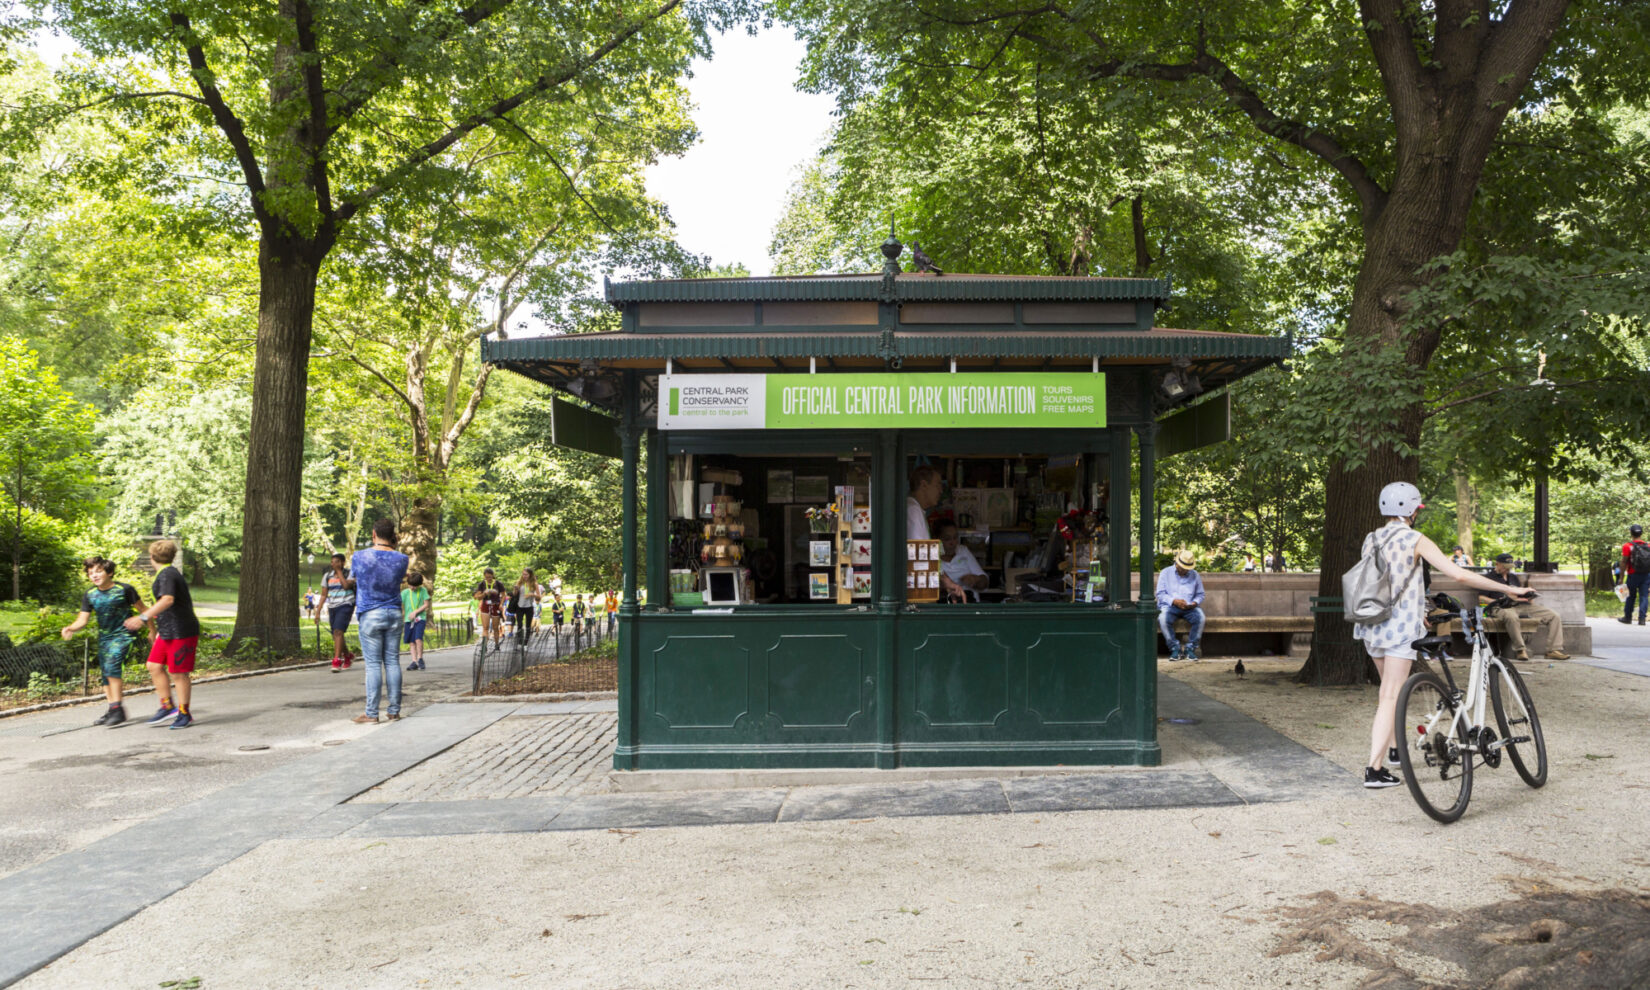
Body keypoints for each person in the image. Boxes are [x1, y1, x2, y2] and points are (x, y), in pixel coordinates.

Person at [1355, 482, 1533, 789]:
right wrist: (1511, 589)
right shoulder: (1415, 539)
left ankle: (1396, 752)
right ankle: (1374, 769)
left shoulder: (1371, 538)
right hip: (1398, 628)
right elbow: (1459, 574)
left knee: (1388, 691)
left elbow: (1384, 582)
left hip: (1371, 622)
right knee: (1389, 695)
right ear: (1411, 510)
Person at [62, 557, 151, 727]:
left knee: (112, 667)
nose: (94, 575)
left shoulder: (125, 589)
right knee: (105, 674)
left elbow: (145, 611)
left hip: (124, 635)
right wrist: (70, 628)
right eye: (90, 573)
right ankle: (112, 709)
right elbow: (83, 620)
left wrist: (152, 630)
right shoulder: (90, 594)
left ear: (109, 572)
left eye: (98, 571)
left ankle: (118, 709)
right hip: (105, 638)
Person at [123, 540, 202, 729]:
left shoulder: (167, 574)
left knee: (179, 673)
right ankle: (167, 706)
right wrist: (156, 630)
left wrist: (143, 617)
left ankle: (184, 713)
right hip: (168, 630)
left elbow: (167, 600)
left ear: (151, 557)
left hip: (182, 630)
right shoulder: (166, 573)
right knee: (154, 665)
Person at [351, 519, 410, 723]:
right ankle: (394, 710)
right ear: (392, 535)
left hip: (370, 612)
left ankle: (371, 713)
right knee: (393, 661)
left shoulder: (360, 556)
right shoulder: (402, 559)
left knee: (373, 664)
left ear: (374, 534)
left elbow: (353, 578)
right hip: (394, 612)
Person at [1482, 553, 1569, 661]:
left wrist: (1528, 596)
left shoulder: (1513, 577)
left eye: (1509, 568)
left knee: (1554, 616)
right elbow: (1481, 598)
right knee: (1512, 617)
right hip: (1500, 607)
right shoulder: (1488, 578)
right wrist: (1498, 601)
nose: (1507, 570)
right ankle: (1520, 650)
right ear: (1497, 564)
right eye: (1505, 567)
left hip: (1520, 604)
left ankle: (1553, 650)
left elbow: (1518, 593)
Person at [1155, 549, 1206, 661]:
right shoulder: (1165, 572)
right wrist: (1174, 601)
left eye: (1187, 569)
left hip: (1189, 607)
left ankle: (1190, 648)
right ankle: (1175, 648)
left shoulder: (1195, 575)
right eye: (1182, 568)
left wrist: (1194, 603)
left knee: (1201, 618)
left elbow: (1200, 594)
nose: (1184, 570)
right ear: (1177, 563)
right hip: (1169, 606)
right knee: (1163, 618)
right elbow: (1160, 593)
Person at [937, 523, 988, 601]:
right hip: (946, 605)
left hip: (971, 604)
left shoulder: (963, 551)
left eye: (955, 537)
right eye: (947, 539)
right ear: (937, 540)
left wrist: (976, 580)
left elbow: (984, 582)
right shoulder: (931, 557)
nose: (953, 542)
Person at [322, 553, 355, 672]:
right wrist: (317, 612)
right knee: (336, 635)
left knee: (338, 631)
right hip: (333, 606)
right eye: (332, 562)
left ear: (342, 563)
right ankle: (347, 655)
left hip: (346, 604)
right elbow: (323, 594)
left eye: (336, 561)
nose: (333, 564)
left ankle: (336, 660)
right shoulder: (327, 576)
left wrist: (339, 572)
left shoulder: (349, 573)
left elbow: (346, 586)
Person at [1619, 524, 1649, 626]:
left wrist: (1621, 577)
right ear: (1641, 533)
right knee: (1644, 596)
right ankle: (1642, 620)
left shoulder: (1628, 546)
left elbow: (1623, 562)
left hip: (1633, 574)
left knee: (1630, 596)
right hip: (1646, 575)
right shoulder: (1648, 546)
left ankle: (1628, 617)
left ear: (1631, 533)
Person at [402, 571, 432, 671]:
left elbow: (426, 604)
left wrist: (416, 612)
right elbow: (398, 603)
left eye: (414, 586)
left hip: (420, 619)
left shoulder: (423, 591)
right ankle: (414, 661)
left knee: (418, 638)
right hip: (408, 620)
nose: (412, 588)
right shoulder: (405, 592)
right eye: (410, 585)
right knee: (411, 641)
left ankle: (420, 658)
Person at [474, 568, 505, 647]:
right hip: (485, 605)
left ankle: (497, 644)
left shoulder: (498, 583)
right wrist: (484, 593)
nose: (489, 579)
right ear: (484, 576)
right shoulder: (482, 584)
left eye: (490, 577)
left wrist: (501, 604)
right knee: (485, 627)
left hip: (495, 605)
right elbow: (478, 597)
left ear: (493, 576)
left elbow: (504, 595)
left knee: (495, 627)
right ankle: (485, 646)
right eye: (487, 577)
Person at [508, 568, 539, 645]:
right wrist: (515, 590)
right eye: (523, 574)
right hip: (520, 606)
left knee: (528, 625)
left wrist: (532, 594)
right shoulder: (519, 582)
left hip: (529, 606)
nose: (524, 576)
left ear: (530, 575)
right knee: (519, 624)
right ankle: (519, 642)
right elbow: (514, 595)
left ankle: (525, 643)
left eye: (526, 574)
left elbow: (539, 597)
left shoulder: (534, 584)